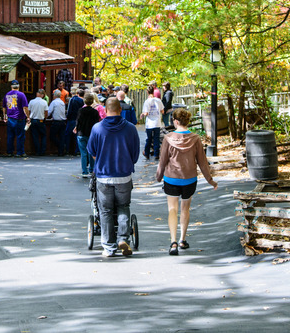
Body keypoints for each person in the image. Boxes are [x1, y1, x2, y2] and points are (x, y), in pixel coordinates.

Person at [156, 108, 218, 256]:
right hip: (189, 180)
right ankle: (183, 239)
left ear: (176, 122)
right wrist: (211, 181)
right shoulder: (196, 139)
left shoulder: (168, 138)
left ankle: (173, 242)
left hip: (171, 178)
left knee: (172, 209)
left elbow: (162, 161)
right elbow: (202, 163)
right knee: (185, 209)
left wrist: (159, 176)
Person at [87, 98, 141, 257]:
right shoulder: (130, 129)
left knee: (105, 211)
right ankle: (123, 238)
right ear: (120, 110)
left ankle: (109, 247)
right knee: (123, 207)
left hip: (104, 176)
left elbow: (92, 151)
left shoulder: (97, 128)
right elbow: (135, 155)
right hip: (123, 175)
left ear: (105, 109)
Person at [2, 80, 30, 157]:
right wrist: (28, 116)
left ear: (11, 86)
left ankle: (9, 152)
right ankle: (20, 152)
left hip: (10, 118)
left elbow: (4, 107)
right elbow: (25, 107)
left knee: (10, 136)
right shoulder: (21, 95)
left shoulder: (7, 95)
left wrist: (4, 115)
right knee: (20, 136)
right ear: (18, 86)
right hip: (19, 118)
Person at [75, 93, 100, 177]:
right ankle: (91, 169)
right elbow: (97, 123)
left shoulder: (80, 111)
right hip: (91, 134)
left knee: (83, 153)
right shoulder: (95, 112)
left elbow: (78, 122)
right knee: (91, 151)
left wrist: (76, 128)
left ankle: (84, 171)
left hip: (81, 133)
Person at [141, 88, 165, 160]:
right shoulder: (158, 100)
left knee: (149, 138)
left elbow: (146, 113)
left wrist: (142, 114)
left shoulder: (147, 101)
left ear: (147, 92)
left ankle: (147, 153)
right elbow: (162, 111)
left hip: (149, 123)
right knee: (156, 138)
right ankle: (156, 154)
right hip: (157, 122)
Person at [28, 89, 49, 156]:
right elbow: (46, 112)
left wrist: (29, 118)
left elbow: (29, 111)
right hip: (41, 120)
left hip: (33, 120)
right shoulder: (44, 102)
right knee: (43, 135)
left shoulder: (31, 102)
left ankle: (37, 151)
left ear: (37, 94)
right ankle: (42, 151)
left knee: (35, 136)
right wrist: (45, 118)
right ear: (42, 95)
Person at [64, 88, 85, 156]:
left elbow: (70, 110)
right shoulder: (81, 100)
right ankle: (77, 150)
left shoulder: (72, 100)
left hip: (72, 119)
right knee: (77, 136)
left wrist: (67, 116)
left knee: (68, 135)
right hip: (78, 119)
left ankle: (68, 149)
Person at [48, 90, 67, 156]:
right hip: (63, 122)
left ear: (55, 95)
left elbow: (49, 112)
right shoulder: (62, 102)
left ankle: (60, 146)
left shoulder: (54, 102)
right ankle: (61, 151)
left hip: (56, 122)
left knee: (52, 136)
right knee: (61, 137)